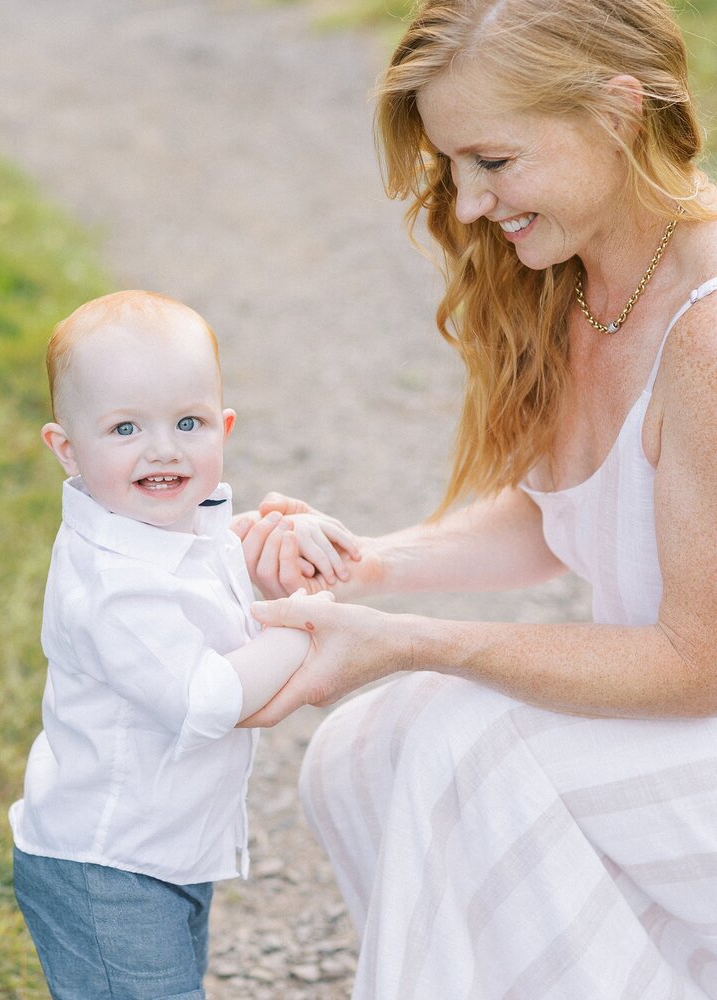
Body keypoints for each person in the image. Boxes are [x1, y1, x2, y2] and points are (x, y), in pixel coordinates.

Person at [235, 0, 717, 996]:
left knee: (466, 745)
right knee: (358, 746)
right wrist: (362, 563)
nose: (463, 205)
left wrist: (408, 638)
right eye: (452, 169)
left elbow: (692, 662)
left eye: (492, 162)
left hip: (695, 722)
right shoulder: (572, 287)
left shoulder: (704, 331)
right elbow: (557, 517)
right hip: (674, 733)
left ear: (617, 110)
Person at [9, 290, 355, 1000]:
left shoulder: (175, 525)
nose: (162, 448)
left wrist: (280, 539)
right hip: (106, 869)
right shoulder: (111, 585)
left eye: (188, 421)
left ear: (223, 427)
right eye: (126, 427)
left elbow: (216, 566)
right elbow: (208, 698)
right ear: (67, 449)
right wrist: (309, 617)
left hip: (164, 849)